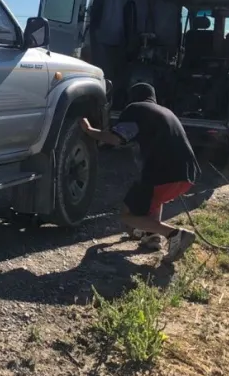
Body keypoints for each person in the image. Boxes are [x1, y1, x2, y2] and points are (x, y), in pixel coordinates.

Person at [81, 82, 200, 263]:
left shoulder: (135, 109)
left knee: (128, 215)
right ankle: (152, 236)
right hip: (188, 173)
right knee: (154, 198)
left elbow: (116, 138)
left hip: (162, 173)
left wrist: (90, 131)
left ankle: (175, 234)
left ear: (133, 97)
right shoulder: (164, 111)